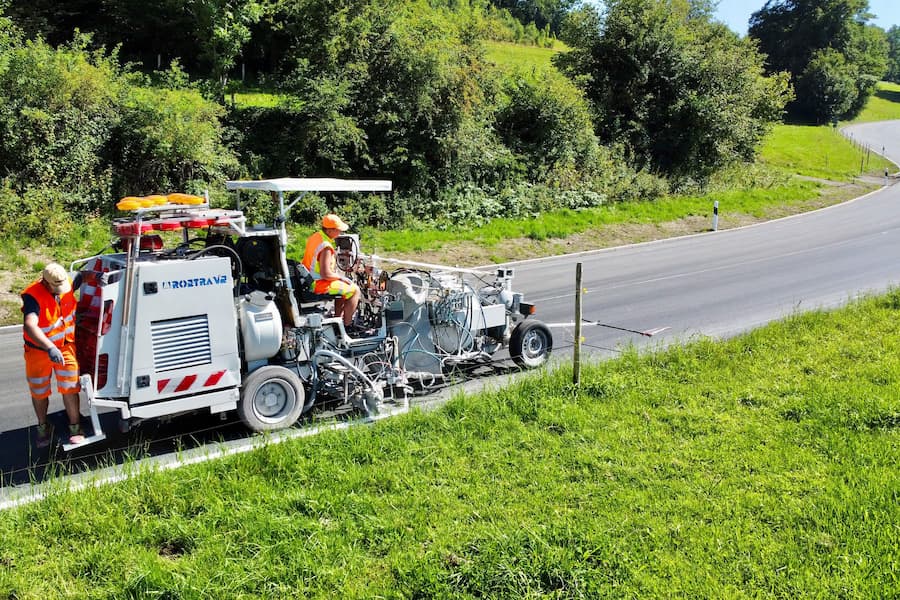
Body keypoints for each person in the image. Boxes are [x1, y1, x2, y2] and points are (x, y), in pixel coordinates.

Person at [21, 263, 85, 448]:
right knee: (39, 391)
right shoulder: (33, 296)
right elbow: (30, 325)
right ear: (45, 283)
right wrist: (49, 347)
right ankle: (43, 427)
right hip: (39, 351)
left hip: (65, 347)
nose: (59, 291)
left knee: (70, 387)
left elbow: (83, 275)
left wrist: (97, 278)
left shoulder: (66, 282)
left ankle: (75, 427)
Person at [301, 214, 360, 328]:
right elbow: (326, 274)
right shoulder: (326, 247)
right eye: (338, 230)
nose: (340, 233)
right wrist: (342, 277)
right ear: (329, 230)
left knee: (343, 288)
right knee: (355, 290)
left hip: (308, 280)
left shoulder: (315, 237)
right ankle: (348, 326)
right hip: (318, 284)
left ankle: (337, 321)